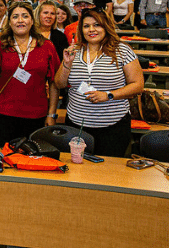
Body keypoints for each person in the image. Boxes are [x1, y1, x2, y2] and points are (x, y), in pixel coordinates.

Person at [55, 8, 144, 157]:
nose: (91, 30)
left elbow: (138, 85)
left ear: (106, 27)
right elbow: (59, 84)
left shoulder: (122, 50)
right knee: (78, 172)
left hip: (113, 126)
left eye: (97, 25)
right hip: (77, 125)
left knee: (108, 173)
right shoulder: (74, 50)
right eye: (86, 26)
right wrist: (67, 64)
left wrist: (109, 95)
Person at [0, 2, 60, 147]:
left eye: (25, 16)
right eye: (15, 17)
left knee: (31, 161)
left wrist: (51, 113)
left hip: (36, 115)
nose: (20, 20)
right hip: (4, 114)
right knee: (4, 160)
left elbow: (55, 82)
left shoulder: (46, 46)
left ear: (32, 21)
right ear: (9, 22)